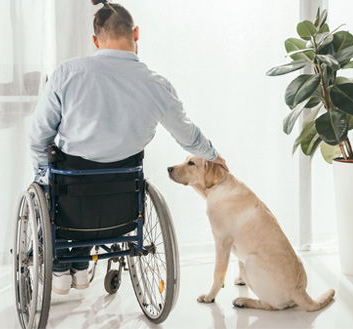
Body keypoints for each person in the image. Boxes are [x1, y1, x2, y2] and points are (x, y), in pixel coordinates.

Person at [29, 0, 227, 295]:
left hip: (69, 199)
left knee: (54, 184)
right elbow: (187, 135)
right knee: (90, 186)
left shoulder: (67, 74)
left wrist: (41, 176)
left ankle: (64, 266)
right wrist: (213, 155)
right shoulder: (156, 84)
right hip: (123, 207)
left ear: (96, 41)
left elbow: (38, 138)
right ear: (136, 33)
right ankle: (80, 265)